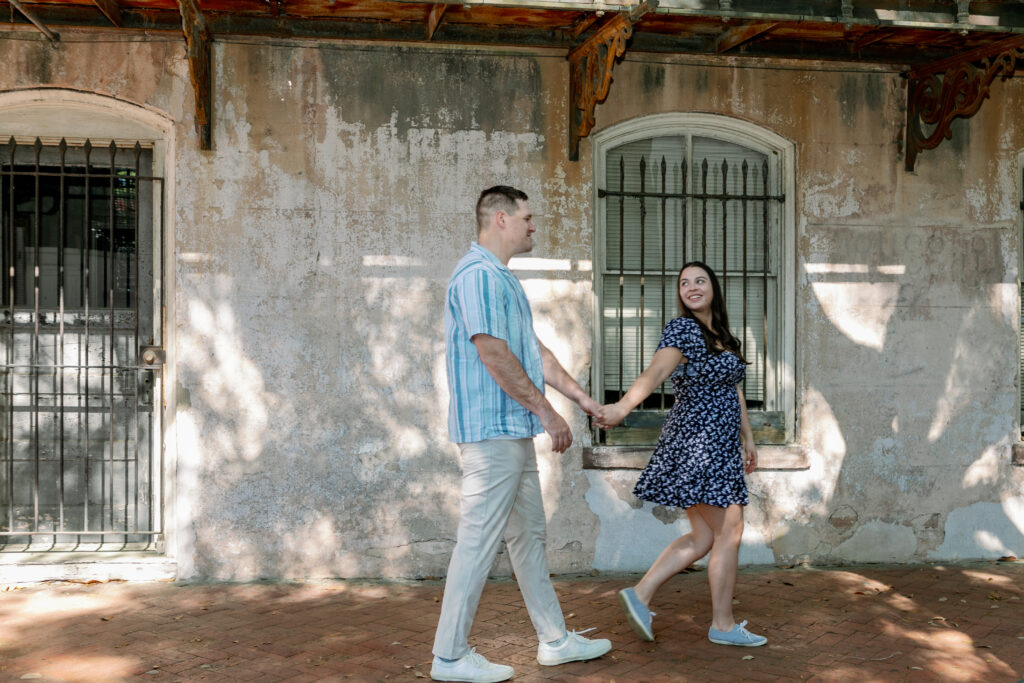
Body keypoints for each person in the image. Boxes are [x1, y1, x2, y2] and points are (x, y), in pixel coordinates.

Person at [431, 186, 612, 683]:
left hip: (510, 432)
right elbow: (493, 354)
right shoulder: (477, 278)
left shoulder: (500, 280)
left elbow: (535, 355)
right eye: (528, 218)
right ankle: (448, 656)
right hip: (492, 435)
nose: (534, 226)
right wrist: (548, 415)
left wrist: (582, 401)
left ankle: (554, 640)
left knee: (528, 536)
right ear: (500, 218)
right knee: (477, 541)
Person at [595, 261, 766, 648]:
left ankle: (640, 596)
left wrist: (748, 438)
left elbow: (733, 390)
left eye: (699, 280)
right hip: (697, 445)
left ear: (713, 288)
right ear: (680, 294)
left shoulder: (720, 335)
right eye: (684, 283)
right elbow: (655, 373)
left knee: (705, 536)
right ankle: (722, 625)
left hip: (720, 446)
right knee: (730, 529)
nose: (691, 287)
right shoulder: (684, 330)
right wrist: (622, 408)